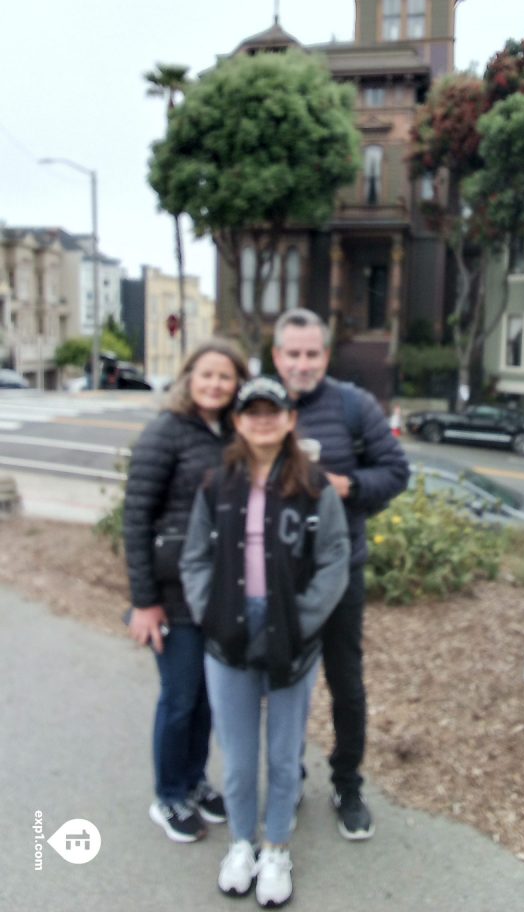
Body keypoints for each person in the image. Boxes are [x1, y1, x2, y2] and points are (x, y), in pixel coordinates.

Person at [180, 376, 350, 907]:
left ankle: (276, 847)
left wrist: (301, 620)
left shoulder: (315, 486)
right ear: (237, 421)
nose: (262, 420)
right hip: (228, 630)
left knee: (282, 754)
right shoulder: (217, 484)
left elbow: (334, 559)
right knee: (236, 756)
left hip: (291, 631)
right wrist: (209, 611)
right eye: (250, 411)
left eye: (272, 410)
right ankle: (241, 843)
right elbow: (194, 558)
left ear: (290, 419)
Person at [272, 308, 410, 841]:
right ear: (277, 356)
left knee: (346, 685)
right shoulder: (261, 404)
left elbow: (396, 471)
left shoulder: (353, 405)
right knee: (280, 682)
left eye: (312, 354)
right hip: (278, 573)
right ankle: (288, 775)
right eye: (293, 354)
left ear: (325, 357)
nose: (302, 364)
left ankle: (347, 783)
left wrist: (343, 487)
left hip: (340, 569)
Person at [123, 340, 248, 843]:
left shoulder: (233, 434)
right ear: (188, 378)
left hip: (219, 593)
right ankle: (169, 795)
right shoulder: (165, 433)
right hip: (173, 596)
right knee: (180, 698)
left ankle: (194, 781)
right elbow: (136, 520)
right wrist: (144, 601)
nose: (215, 384)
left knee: (207, 700)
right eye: (206, 374)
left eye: (226, 376)